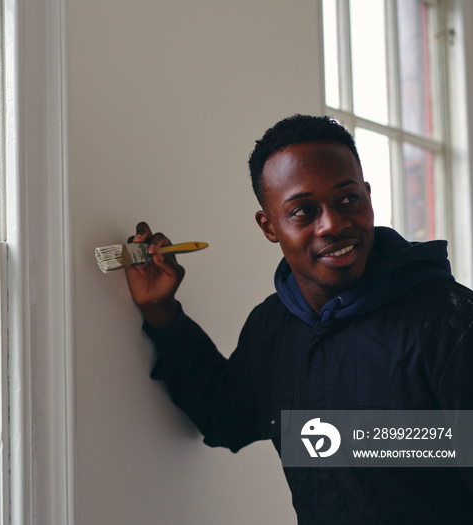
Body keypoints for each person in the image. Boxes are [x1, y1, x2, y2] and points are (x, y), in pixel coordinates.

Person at [124, 114, 473, 524]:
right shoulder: (272, 331)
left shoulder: (450, 322)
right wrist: (160, 311)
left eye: (348, 200)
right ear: (269, 226)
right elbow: (223, 419)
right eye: (304, 211)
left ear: (368, 195)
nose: (333, 225)